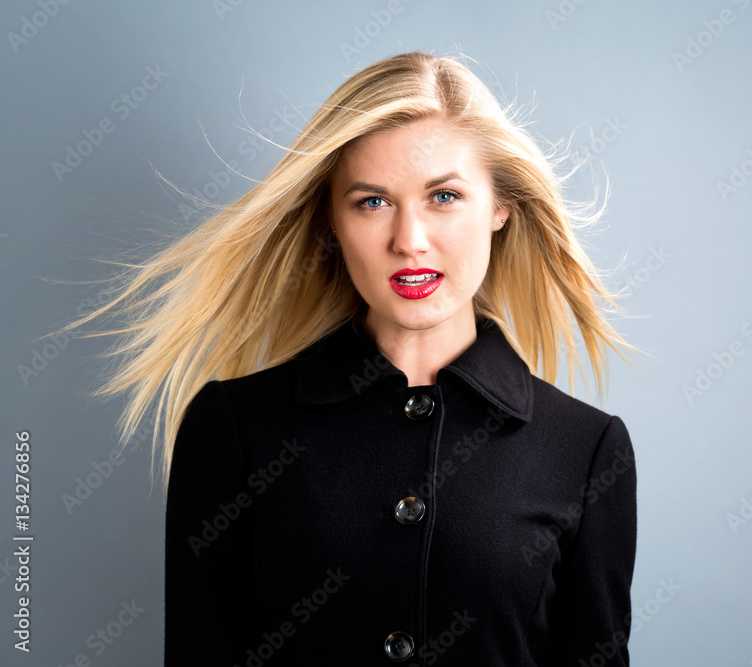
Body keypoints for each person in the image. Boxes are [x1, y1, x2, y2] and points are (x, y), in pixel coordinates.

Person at [62, 50, 643, 665]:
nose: (409, 241)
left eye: (444, 196)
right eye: (372, 202)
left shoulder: (586, 452)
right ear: (330, 222)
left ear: (500, 207)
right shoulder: (234, 430)